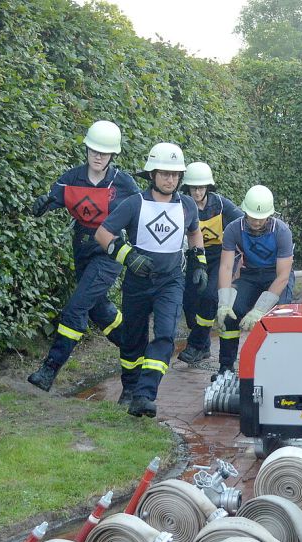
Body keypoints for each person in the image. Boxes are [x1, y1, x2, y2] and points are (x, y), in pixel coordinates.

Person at [27, 121, 140, 393]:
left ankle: (48, 370)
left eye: (104, 152)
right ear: (87, 150)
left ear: (113, 155)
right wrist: (41, 205)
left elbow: (141, 214)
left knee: (76, 308)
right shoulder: (71, 178)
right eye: (93, 151)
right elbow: (52, 199)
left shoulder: (123, 183)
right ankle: (137, 350)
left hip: (108, 252)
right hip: (81, 249)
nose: (98, 157)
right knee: (98, 310)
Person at [95, 142, 205, 417]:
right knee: (133, 340)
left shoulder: (187, 205)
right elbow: (103, 233)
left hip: (170, 281)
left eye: (175, 174)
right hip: (137, 282)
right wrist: (126, 255)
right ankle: (130, 388)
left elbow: (194, 232)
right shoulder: (134, 203)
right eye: (165, 173)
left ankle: (145, 395)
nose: (170, 179)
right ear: (152, 174)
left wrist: (199, 261)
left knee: (166, 335)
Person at [215, 185, 295, 378]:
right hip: (250, 275)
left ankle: (278, 368)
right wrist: (224, 302)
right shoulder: (233, 229)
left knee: (278, 317)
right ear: (244, 212)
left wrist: (260, 309)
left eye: (261, 217)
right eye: (252, 217)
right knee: (230, 314)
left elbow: (283, 275)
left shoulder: (282, 231)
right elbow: (226, 267)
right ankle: (225, 367)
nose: (257, 221)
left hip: (275, 276)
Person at [177, 162, 245, 365]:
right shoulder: (182, 205)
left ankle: (196, 345)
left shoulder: (222, 205)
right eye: (193, 188)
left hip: (220, 257)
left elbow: (242, 222)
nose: (197, 192)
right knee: (190, 305)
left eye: (201, 187)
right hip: (195, 257)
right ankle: (203, 345)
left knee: (208, 297)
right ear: (187, 188)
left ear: (208, 187)